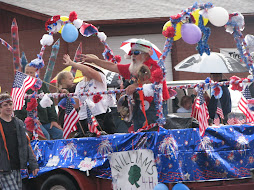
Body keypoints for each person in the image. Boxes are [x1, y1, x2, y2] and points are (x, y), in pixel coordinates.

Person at [79, 39, 170, 131]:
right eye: (132, 53)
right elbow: (112, 66)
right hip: (138, 106)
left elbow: (153, 81)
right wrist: (93, 60)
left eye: (136, 52)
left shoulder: (155, 66)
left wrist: (136, 86)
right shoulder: (133, 67)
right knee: (140, 134)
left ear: (145, 54)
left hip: (155, 107)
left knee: (154, 134)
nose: (133, 55)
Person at [63, 54, 116, 135]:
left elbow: (90, 71)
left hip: (100, 115)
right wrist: (68, 96)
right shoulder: (80, 84)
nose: (81, 68)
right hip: (84, 117)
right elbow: (76, 104)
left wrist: (72, 63)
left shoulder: (100, 77)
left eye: (84, 66)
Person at [0, 93, 39, 190]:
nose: (8, 107)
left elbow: (26, 145)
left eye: (10, 104)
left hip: (18, 166)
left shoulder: (19, 123)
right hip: (3, 167)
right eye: (5, 105)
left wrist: (33, 164)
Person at [15, 65, 63, 139]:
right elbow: (18, 109)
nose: (29, 75)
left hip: (45, 121)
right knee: (45, 136)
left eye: (31, 72)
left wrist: (53, 120)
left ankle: (57, 150)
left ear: (37, 73)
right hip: (30, 122)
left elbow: (50, 104)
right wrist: (32, 118)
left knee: (59, 133)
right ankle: (45, 150)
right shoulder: (21, 87)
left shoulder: (41, 85)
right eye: (26, 72)